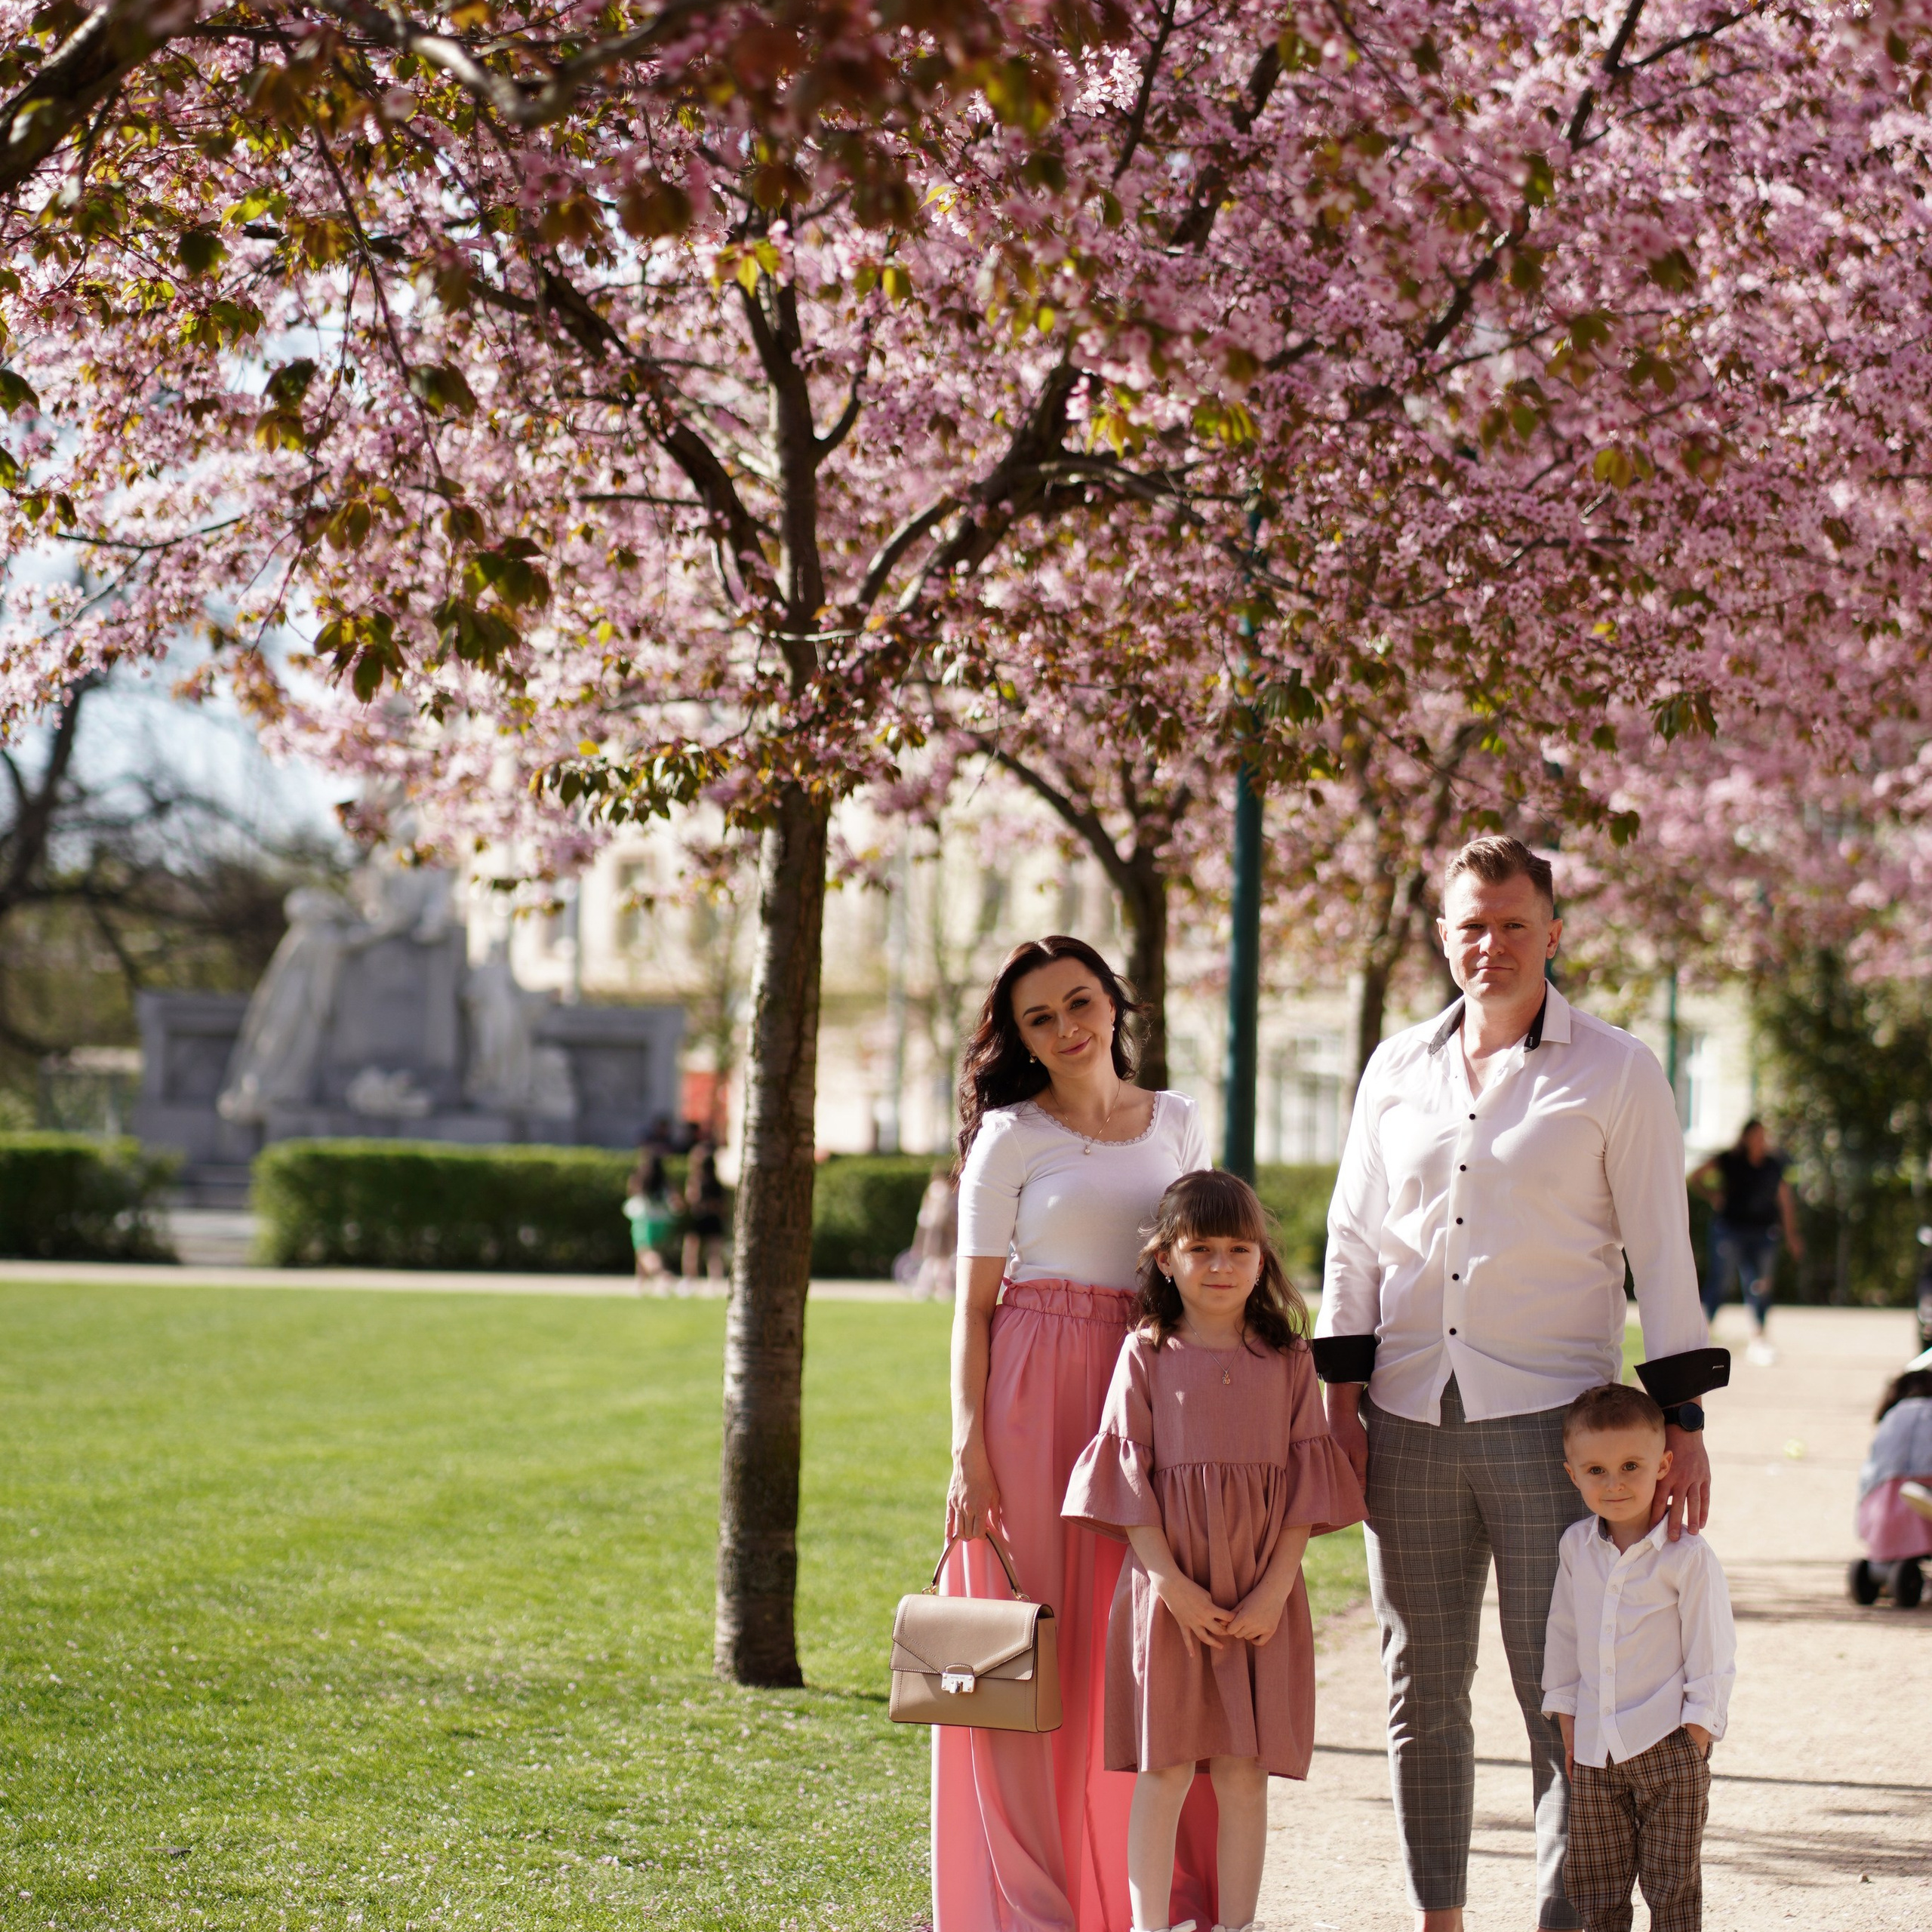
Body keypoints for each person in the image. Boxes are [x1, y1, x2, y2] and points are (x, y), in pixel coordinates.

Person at [1316, 835, 1727, 1932]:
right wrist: (1338, 1403)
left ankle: (1567, 1918)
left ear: (1553, 932)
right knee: (1421, 1696)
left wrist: (1682, 1422)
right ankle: (1438, 1919)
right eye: (1469, 925)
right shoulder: (1395, 1068)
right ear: (1442, 934)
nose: (1489, 943)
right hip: (1405, 1415)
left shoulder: (1618, 1069)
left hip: (1556, 1426)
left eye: (1511, 923)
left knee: (1565, 1698)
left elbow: (1663, 1249)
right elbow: (1353, 1239)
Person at [937, 935, 1218, 1932]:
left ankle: (1157, 1898)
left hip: (1149, 1386)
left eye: (1079, 1002)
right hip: (1031, 1394)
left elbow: (1206, 1263)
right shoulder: (1010, 1136)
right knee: (1033, 1650)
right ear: (1017, 1039)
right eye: (1039, 1019)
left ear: (1114, 1001)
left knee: (1148, 1650)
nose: (1066, 1028)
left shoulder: (1179, 1121)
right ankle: (1032, 1907)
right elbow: (971, 1308)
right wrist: (969, 1448)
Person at [1063, 1170, 1365, 1932]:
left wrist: (1273, 1588)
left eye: (1239, 1248)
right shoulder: (1146, 1354)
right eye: (1201, 1248)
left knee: (1242, 1771)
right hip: (1168, 1594)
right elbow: (1125, 1481)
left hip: (1261, 1590)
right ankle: (1147, 1926)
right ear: (1166, 1258)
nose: (1222, 1264)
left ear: (1261, 1259)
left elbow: (1305, 1480)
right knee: (1163, 1770)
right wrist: (1170, 1585)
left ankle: (1235, 1926)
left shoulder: (1288, 1359)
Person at [1542, 1383, 1735, 1932]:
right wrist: (1567, 1714)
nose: (1616, 1483)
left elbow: (1712, 1647)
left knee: (1672, 1887)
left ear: (1664, 1463)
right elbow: (1564, 1632)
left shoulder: (1687, 1556)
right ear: (1572, 1474)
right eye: (1596, 1470)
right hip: (1596, 1753)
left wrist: (1697, 1734)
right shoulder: (1576, 1547)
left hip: (1669, 1745)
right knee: (1595, 1886)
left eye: (1631, 1465)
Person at [1690, 1120, 1803, 1364]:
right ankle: (1699, 1338)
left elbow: (1785, 1201)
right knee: (1720, 1282)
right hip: (1730, 1230)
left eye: (1764, 1136)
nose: (1761, 1141)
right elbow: (1696, 1176)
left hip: (1763, 1233)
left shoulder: (1773, 1166)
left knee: (1760, 1286)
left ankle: (1759, 1339)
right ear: (1746, 1137)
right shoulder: (1730, 1160)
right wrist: (1712, 1196)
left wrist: (1792, 1235)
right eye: (1757, 1135)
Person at [623, 1151, 677, 1291]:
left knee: (644, 1251)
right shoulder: (665, 1182)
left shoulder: (641, 1178)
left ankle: (663, 1275)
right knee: (653, 1251)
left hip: (644, 1220)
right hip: (662, 1221)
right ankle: (640, 1283)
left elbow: (632, 1192)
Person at [680, 1138, 728, 1291]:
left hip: (699, 1218)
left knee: (691, 1251)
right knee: (714, 1253)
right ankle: (714, 1282)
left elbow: (691, 1198)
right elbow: (722, 1206)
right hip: (714, 1219)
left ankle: (690, 1280)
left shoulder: (696, 1181)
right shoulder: (717, 1183)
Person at [912, 1164, 959, 1300]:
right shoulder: (942, 1190)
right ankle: (935, 1290)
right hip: (940, 1230)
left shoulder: (933, 1189)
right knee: (938, 1261)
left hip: (935, 1230)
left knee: (935, 1262)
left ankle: (928, 1289)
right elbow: (944, 1213)